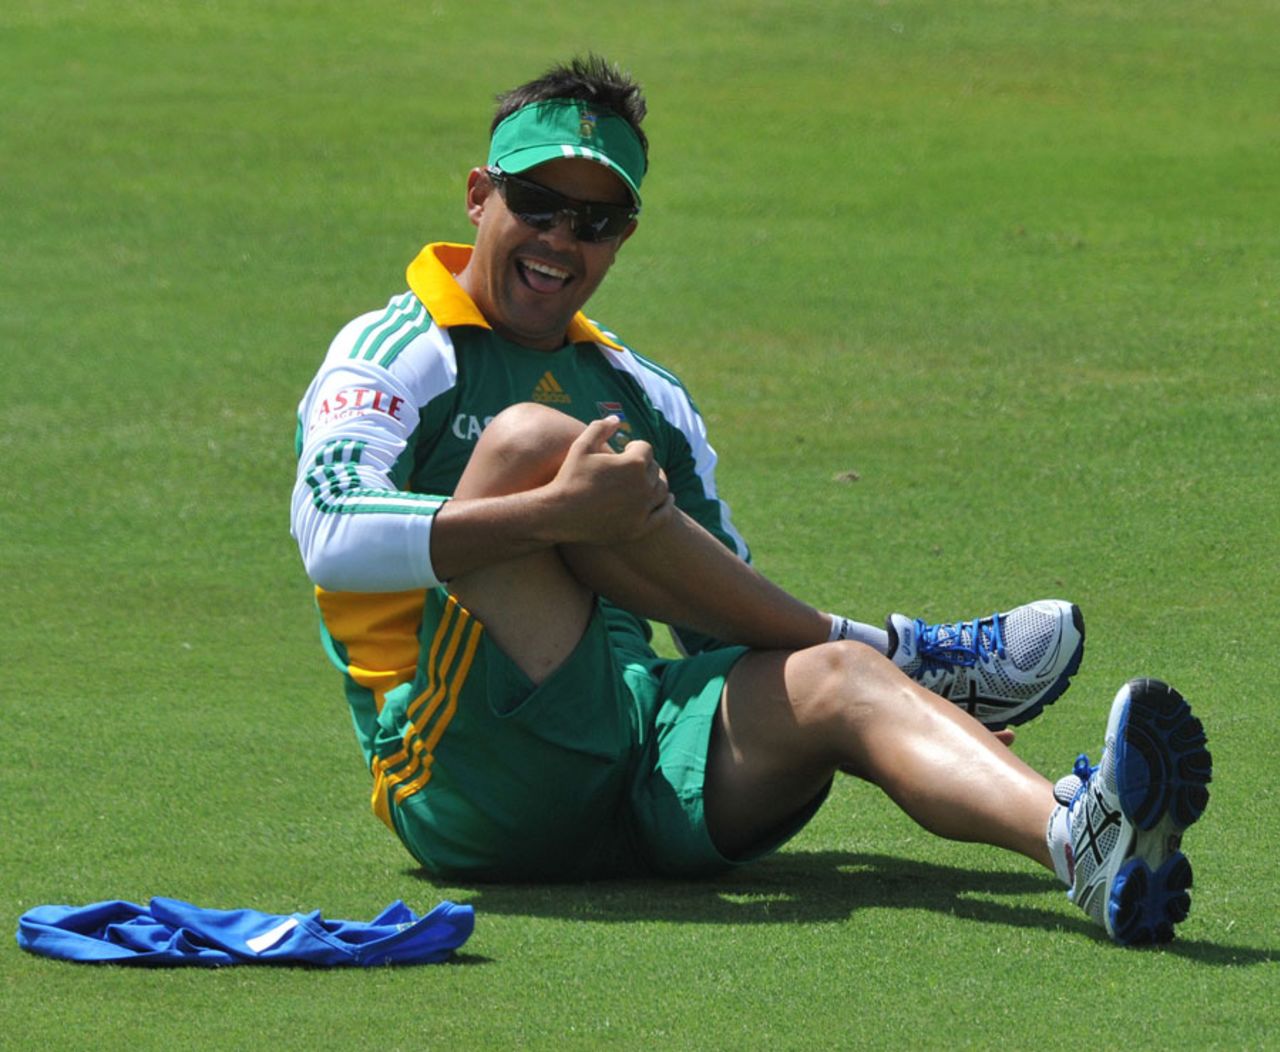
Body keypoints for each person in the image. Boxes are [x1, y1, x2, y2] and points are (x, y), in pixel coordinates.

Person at [290, 56, 1211, 945]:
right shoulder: (395, 349)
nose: (562, 239)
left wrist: (893, 704)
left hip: (639, 752)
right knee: (533, 444)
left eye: (598, 219)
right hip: (468, 783)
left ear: (626, 235)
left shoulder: (641, 390)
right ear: (478, 196)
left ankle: (1075, 838)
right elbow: (329, 534)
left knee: (839, 682)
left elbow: (718, 618)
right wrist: (553, 514)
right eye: (536, 203)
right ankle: (903, 647)